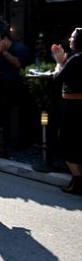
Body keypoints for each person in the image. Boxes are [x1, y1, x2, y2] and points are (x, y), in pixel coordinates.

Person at [51, 28, 82, 195]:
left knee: (66, 142)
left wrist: (59, 61)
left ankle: (77, 179)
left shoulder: (75, 59)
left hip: (72, 107)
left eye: (72, 37)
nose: (70, 39)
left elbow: (58, 78)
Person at [0, 30, 31, 153]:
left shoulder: (19, 48)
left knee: (21, 116)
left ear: (6, 39)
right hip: (4, 86)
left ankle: (21, 142)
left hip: (19, 86)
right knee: (3, 112)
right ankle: (4, 141)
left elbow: (18, 64)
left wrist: (4, 52)